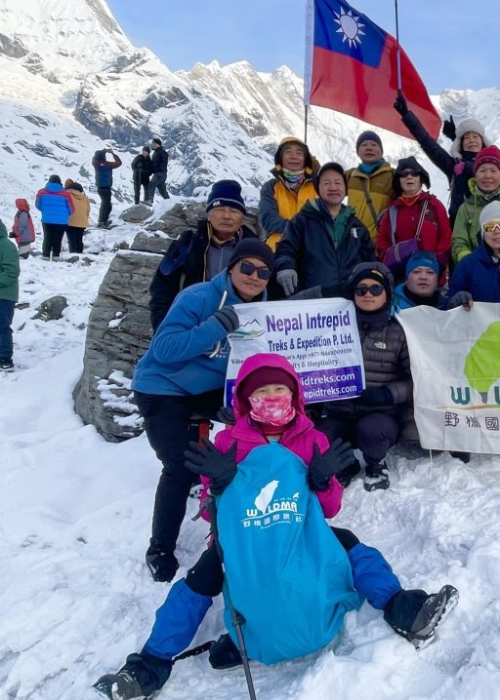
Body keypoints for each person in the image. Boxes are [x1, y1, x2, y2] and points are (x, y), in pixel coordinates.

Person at [93, 353, 458, 700]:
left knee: (347, 543)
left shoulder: (313, 439)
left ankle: (403, 607)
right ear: (246, 398)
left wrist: (322, 481)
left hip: (297, 532)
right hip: (246, 539)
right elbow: (210, 513)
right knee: (201, 579)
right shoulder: (227, 442)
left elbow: (327, 510)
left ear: (294, 394)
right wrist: (218, 488)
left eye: (279, 389)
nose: (272, 397)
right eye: (261, 391)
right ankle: (149, 666)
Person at [132, 238, 275, 582]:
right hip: (162, 386)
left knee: (256, 423)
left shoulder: (262, 310)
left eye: (263, 271)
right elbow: (163, 349)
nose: (254, 276)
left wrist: (231, 403)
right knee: (179, 466)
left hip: (205, 390)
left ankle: (253, 518)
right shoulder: (199, 297)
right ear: (231, 267)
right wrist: (214, 327)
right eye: (247, 267)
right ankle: (160, 548)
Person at [317, 263, 413, 491]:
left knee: (371, 432)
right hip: (339, 411)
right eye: (361, 290)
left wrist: (387, 395)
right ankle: (345, 463)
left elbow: (417, 379)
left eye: (375, 289)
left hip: (380, 414)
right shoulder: (333, 327)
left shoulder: (399, 332)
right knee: (318, 436)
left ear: (386, 294)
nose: (368, 294)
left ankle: (375, 462)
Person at [148, 180, 256, 331]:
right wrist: (164, 330)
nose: (226, 216)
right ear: (209, 214)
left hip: (240, 333)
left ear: (242, 218)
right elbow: (162, 291)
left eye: (234, 211)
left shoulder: (256, 252)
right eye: (220, 209)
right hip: (191, 330)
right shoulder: (187, 245)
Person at [275, 162, 375, 298]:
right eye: (327, 183)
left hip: (349, 302)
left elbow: (371, 263)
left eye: (338, 183)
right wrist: (285, 267)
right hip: (312, 300)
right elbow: (285, 249)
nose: (333, 187)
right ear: (318, 189)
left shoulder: (357, 227)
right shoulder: (302, 221)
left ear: (345, 189)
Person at [394, 91, 488, 226]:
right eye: (466, 137)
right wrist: (407, 115)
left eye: (475, 136)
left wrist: (456, 139)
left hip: (488, 225)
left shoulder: (493, 165)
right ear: (460, 144)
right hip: (458, 226)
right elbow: (428, 143)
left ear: (483, 141)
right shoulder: (453, 166)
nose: (471, 140)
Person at [375, 156, 452, 277]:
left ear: (421, 178)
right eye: (403, 174)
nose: (409, 176)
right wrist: (387, 257)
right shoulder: (392, 210)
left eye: (414, 173)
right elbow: (382, 240)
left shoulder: (434, 205)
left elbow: (446, 237)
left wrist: (437, 262)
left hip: (431, 274)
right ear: (399, 181)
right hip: (400, 276)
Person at [259, 136, 320, 251]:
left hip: (315, 249)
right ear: (280, 158)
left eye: (299, 153)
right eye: (288, 152)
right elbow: (268, 219)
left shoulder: (318, 186)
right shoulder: (271, 187)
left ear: (305, 159)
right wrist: (298, 228)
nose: (294, 156)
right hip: (277, 250)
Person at [346, 130, 394, 240]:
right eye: (364, 145)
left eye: (374, 145)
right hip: (352, 243)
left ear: (381, 151)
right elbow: (324, 184)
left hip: (379, 245)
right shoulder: (350, 175)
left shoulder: (392, 176)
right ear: (358, 152)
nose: (369, 148)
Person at [34, 174, 74, 260]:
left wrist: (46, 211)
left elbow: (38, 205)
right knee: (58, 238)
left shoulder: (41, 192)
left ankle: (46, 255)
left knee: (47, 237)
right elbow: (71, 209)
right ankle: (56, 256)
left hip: (47, 219)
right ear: (60, 182)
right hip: (61, 221)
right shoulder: (65, 194)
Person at [0, 230, 18, 372]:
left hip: (4, 295)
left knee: (2, 327)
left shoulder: (6, 245)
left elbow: (12, 272)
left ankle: (5, 359)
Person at [92, 148, 123, 228]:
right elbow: (119, 163)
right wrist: (113, 154)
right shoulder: (108, 164)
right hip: (106, 187)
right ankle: (102, 222)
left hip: (100, 187)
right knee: (106, 204)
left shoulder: (96, 164)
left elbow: (94, 159)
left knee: (106, 204)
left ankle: (103, 220)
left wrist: (103, 151)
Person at [63, 180, 91, 254]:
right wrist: (84, 219)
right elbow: (87, 211)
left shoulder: (67, 196)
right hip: (82, 222)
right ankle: (79, 255)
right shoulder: (85, 198)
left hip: (70, 221)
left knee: (72, 240)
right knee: (79, 239)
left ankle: (73, 256)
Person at [149, 138, 170, 203]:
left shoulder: (161, 152)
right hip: (161, 174)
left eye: (153, 144)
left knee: (151, 185)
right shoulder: (157, 152)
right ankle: (170, 202)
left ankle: (149, 201)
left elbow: (160, 163)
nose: (152, 145)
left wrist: (155, 169)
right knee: (162, 191)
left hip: (159, 173)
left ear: (157, 144)